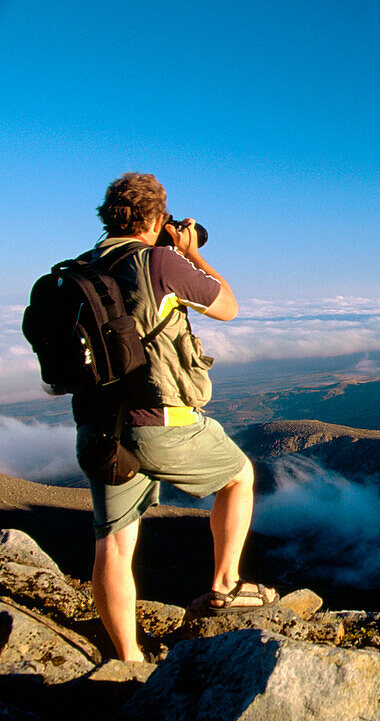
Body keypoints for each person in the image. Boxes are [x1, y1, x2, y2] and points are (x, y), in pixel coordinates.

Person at [73, 172, 277, 662]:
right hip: (162, 423)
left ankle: (127, 658)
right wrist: (191, 253)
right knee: (239, 477)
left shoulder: (78, 271)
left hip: (100, 430)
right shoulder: (159, 261)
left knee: (114, 545)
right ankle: (226, 586)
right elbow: (227, 306)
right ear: (157, 217)